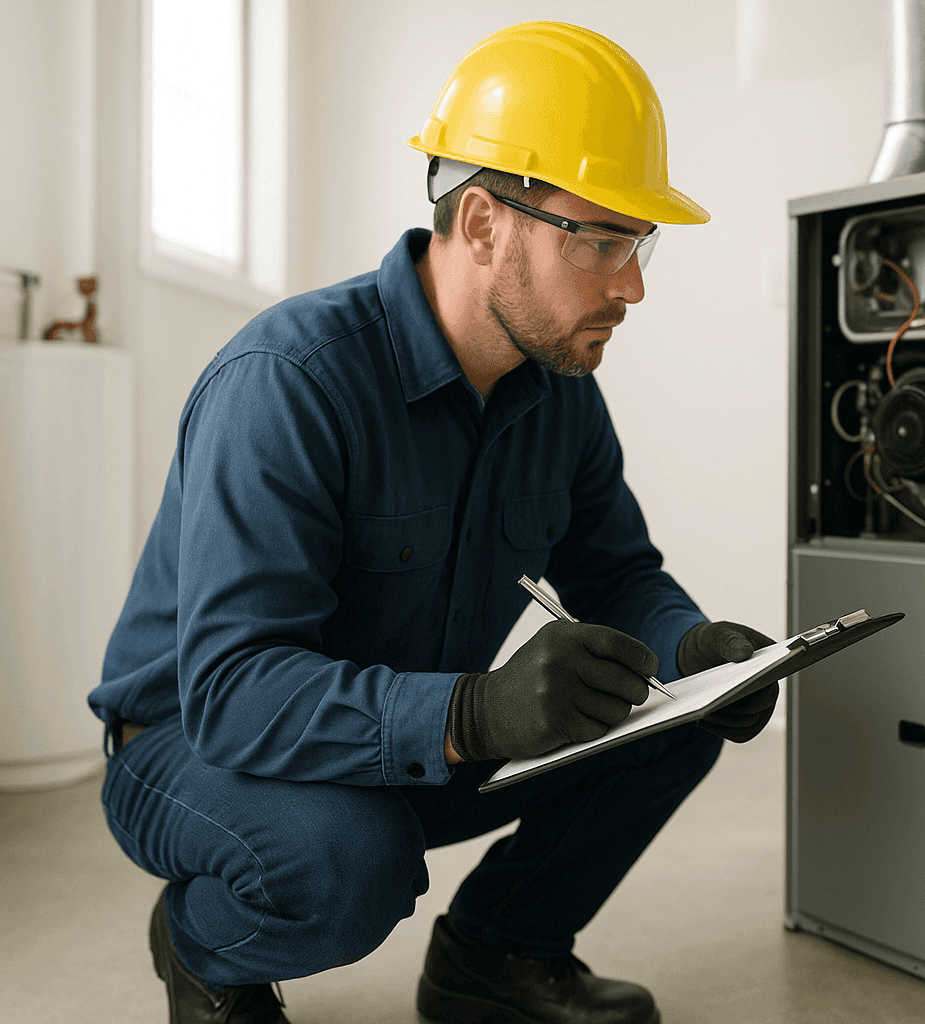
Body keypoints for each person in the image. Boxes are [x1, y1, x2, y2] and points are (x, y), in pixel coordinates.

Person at [88, 22, 778, 1024]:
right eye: (603, 241)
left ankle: (498, 955)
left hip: (403, 735)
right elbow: (236, 692)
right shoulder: (288, 384)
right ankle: (203, 947)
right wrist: (473, 714)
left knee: (671, 720)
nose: (632, 284)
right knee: (346, 862)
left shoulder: (557, 389)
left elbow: (617, 571)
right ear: (487, 223)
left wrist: (694, 650)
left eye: (641, 242)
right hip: (195, 744)